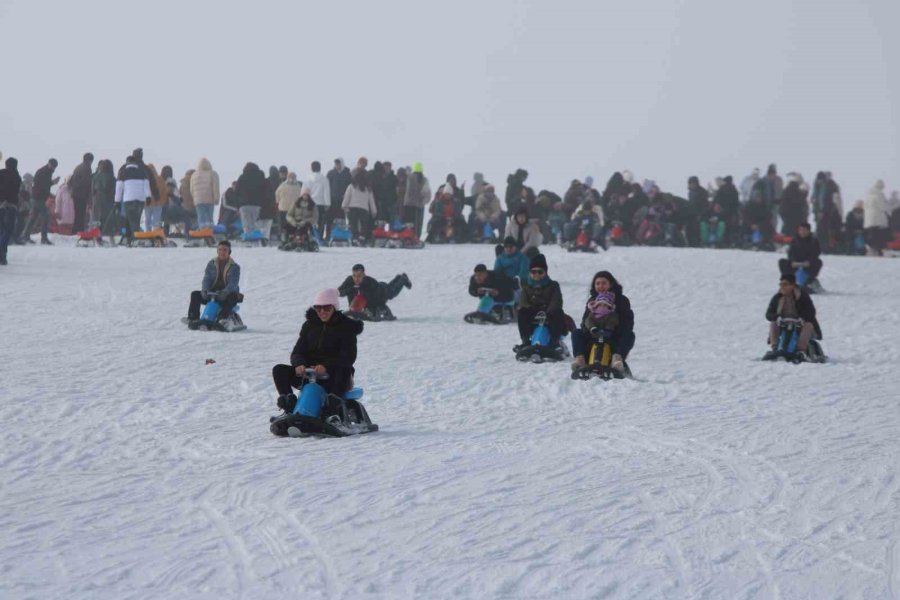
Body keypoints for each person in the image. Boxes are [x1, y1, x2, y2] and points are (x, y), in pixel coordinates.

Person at [271, 288, 363, 410]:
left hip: (334, 375)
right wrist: (299, 364)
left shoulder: (346, 327)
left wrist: (326, 366)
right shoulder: (309, 326)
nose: (322, 312)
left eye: (326, 308)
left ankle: (333, 405)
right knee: (279, 370)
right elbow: (298, 351)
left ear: (334, 307)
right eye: (318, 308)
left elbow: (348, 357)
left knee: (343, 369)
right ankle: (289, 402)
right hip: (309, 374)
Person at [571, 271, 635, 373]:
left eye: (604, 283)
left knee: (629, 335)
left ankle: (617, 359)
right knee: (576, 333)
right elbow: (585, 321)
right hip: (593, 335)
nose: (601, 286)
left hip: (613, 337)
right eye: (598, 283)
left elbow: (627, 322)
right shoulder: (592, 301)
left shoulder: (621, 301)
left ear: (611, 284)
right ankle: (580, 360)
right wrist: (592, 330)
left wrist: (611, 330)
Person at [764, 273, 821, 361]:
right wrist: (777, 317)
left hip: (800, 323)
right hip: (783, 323)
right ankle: (775, 348)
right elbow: (769, 314)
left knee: (808, 325)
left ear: (793, 285)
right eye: (781, 284)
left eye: (785, 284)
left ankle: (801, 350)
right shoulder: (777, 297)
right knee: (773, 323)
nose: (782, 287)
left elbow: (811, 312)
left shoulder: (802, 296)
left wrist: (802, 318)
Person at [185, 240, 241, 328]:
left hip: (226, 294)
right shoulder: (211, 264)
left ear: (229, 252)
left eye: (225, 250)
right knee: (195, 294)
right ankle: (193, 317)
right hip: (212, 294)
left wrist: (225, 292)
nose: (222, 252)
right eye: (220, 249)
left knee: (232, 297)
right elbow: (207, 279)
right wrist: (205, 291)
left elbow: (233, 284)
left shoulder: (235, 267)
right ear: (217, 251)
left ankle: (223, 318)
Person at [515, 253, 567, 349]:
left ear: (545, 272)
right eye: (533, 272)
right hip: (533, 313)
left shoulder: (553, 285)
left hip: (550, 313)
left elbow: (556, 301)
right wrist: (530, 309)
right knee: (522, 312)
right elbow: (523, 302)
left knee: (558, 312)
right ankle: (526, 341)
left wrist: (548, 311)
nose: (536, 275)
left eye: (540, 272)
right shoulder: (526, 287)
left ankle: (554, 342)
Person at [338, 263, 411, 321]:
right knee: (390, 287)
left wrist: (382, 311)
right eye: (354, 275)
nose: (356, 278)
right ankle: (397, 278)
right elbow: (339, 292)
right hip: (372, 296)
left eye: (359, 276)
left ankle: (403, 279)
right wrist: (351, 289)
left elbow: (378, 302)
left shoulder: (370, 282)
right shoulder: (350, 280)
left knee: (392, 293)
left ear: (364, 274)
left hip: (382, 291)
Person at [22, 158, 59, 244]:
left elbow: (43, 184)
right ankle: (44, 238)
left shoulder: (44, 171)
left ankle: (25, 236)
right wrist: (53, 182)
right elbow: (43, 185)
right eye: (53, 166)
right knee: (45, 216)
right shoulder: (44, 172)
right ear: (49, 164)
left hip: (37, 197)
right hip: (39, 198)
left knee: (33, 217)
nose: (54, 169)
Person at [115, 155, 152, 238]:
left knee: (131, 220)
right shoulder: (142, 171)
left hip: (128, 199)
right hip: (140, 199)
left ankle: (135, 238)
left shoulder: (123, 172)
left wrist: (117, 201)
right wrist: (148, 197)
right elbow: (146, 186)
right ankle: (131, 236)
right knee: (137, 219)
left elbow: (119, 188)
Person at [342, 168, 377, 242]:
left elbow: (347, 197)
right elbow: (371, 200)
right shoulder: (368, 188)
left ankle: (355, 238)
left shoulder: (351, 186)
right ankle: (362, 237)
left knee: (353, 224)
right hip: (364, 209)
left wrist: (344, 206)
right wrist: (374, 211)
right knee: (364, 225)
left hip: (352, 208)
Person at [0, 157, 23, 265]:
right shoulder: (16, 176)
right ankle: (2, 254)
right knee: (7, 231)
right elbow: (14, 191)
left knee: (1, 230)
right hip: (10, 206)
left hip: (1, 205)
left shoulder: (1, 173)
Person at [190, 158, 220, 230]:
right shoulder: (213, 173)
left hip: (198, 201)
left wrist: (195, 198)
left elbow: (192, 189)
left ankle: (202, 231)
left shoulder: (194, 175)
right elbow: (215, 187)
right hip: (210, 199)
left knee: (201, 217)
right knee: (209, 217)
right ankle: (210, 230)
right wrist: (216, 199)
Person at [301, 160, 331, 234]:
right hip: (321, 203)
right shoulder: (324, 179)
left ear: (311, 168)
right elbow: (326, 192)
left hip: (310, 203)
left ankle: (311, 235)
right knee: (321, 221)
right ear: (320, 168)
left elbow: (303, 192)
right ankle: (319, 236)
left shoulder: (307, 179)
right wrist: (328, 204)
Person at [402, 162, 431, 237]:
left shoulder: (410, 177)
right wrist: (423, 202)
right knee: (417, 224)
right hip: (418, 205)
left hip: (407, 204)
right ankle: (416, 237)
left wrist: (408, 169)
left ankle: (406, 236)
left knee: (407, 222)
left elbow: (407, 172)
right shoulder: (424, 180)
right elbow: (427, 193)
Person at [69, 152, 94, 233]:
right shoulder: (87, 168)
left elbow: (71, 181)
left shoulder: (78, 167)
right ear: (90, 160)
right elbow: (87, 182)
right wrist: (89, 197)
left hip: (75, 194)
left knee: (77, 214)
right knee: (81, 214)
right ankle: (79, 231)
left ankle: (74, 231)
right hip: (81, 194)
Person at [276, 171, 303, 238]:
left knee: (283, 224)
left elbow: (277, 195)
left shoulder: (282, 185)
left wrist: (278, 202)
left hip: (283, 208)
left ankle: (284, 236)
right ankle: (292, 236)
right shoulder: (299, 187)